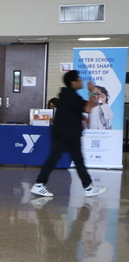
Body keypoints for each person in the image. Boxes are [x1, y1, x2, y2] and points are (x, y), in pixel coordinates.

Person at [31, 70, 106, 198]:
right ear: (73, 82)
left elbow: (80, 108)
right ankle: (88, 188)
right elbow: (88, 108)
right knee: (77, 160)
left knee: (56, 159)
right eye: (79, 79)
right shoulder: (72, 96)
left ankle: (39, 184)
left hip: (62, 133)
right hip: (69, 135)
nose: (81, 81)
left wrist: (81, 116)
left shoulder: (66, 95)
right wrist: (91, 91)